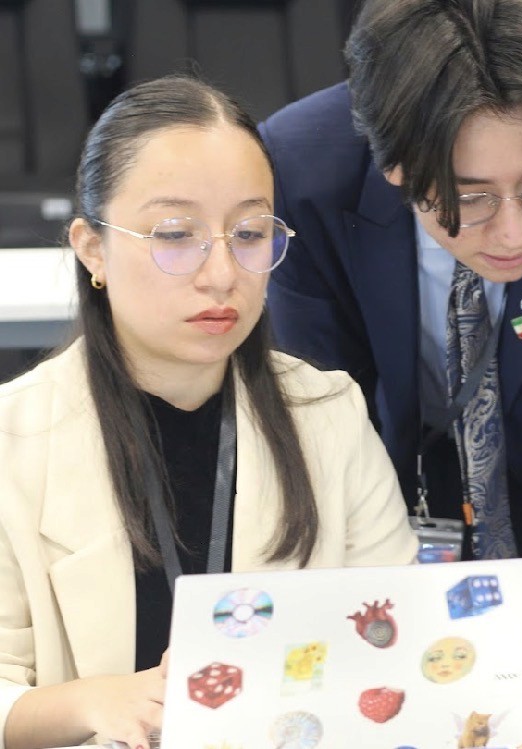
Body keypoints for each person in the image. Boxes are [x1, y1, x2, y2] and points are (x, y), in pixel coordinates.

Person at [259, 0, 522, 698]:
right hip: (379, 538)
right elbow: (318, 440)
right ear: (395, 165)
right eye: (472, 198)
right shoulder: (300, 172)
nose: (516, 233)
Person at [0, 76, 418, 749]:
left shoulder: (328, 414)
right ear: (92, 247)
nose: (223, 272)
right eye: (175, 233)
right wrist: (93, 701)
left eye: (250, 232)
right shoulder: (12, 439)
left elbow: (398, 640)